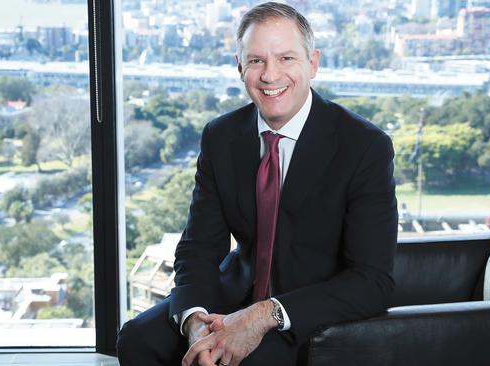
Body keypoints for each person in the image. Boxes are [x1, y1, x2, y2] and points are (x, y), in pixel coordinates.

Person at [117, 2, 398, 365]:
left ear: (313, 64)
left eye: (286, 58)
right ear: (240, 68)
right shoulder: (222, 137)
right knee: (137, 340)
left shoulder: (364, 146)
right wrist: (195, 323)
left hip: (309, 313)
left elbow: (372, 281)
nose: (270, 75)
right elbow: (199, 248)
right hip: (233, 294)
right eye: (256, 61)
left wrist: (262, 315)